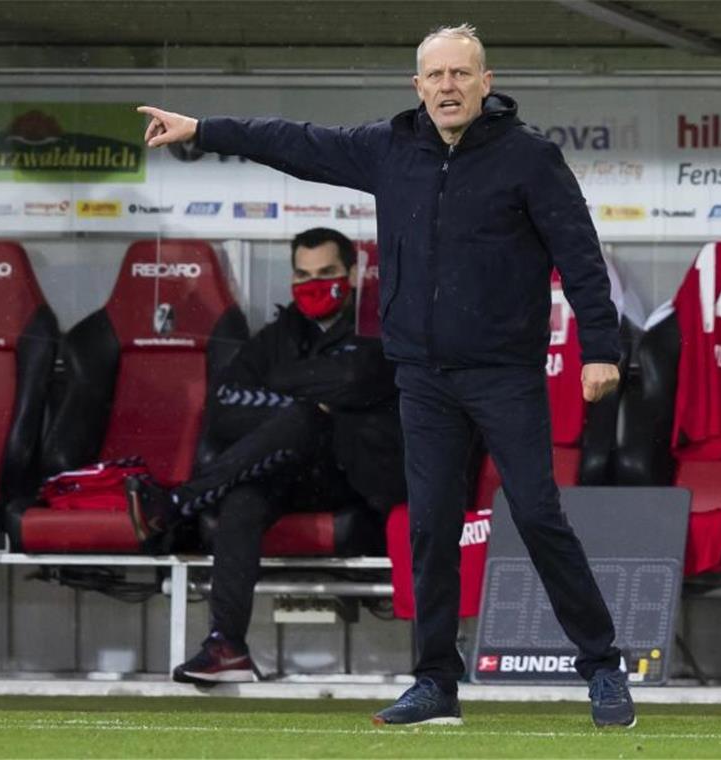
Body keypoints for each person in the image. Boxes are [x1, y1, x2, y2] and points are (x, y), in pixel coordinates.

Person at [137, 24, 636, 728]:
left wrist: (601, 350)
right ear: (418, 87)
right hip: (423, 378)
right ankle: (435, 683)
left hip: (503, 374)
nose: (449, 87)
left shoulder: (530, 159)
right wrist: (203, 127)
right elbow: (297, 143)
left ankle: (602, 666)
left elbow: (581, 258)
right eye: (436, 76)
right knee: (428, 527)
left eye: (461, 74)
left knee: (536, 516)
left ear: (486, 82)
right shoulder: (390, 150)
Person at [125, 227, 406, 684]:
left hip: (354, 479)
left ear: (351, 273)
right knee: (245, 498)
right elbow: (222, 408)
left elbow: (356, 377)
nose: (314, 283)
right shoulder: (279, 334)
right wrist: (306, 394)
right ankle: (227, 646)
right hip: (288, 472)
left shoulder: (378, 327)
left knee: (303, 419)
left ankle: (177, 503)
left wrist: (283, 386)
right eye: (303, 274)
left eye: (327, 273)